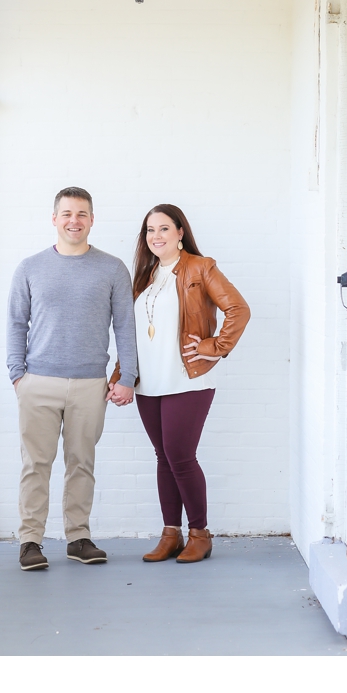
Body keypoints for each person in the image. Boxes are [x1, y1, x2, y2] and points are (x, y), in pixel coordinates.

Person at [109, 204, 250, 563]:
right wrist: (120, 376)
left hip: (187, 379)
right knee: (163, 457)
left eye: (164, 229)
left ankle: (199, 533)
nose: (156, 236)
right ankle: (170, 533)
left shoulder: (201, 268)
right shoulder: (144, 276)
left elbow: (238, 308)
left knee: (181, 457)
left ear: (180, 232)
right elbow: (132, 333)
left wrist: (214, 347)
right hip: (148, 383)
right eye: (149, 231)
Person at [7, 187, 138, 571]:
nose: (74, 221)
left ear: (92, 220)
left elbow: (125, 326)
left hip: (89, 384)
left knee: (82, 463)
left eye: (81, 214)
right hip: (38, 382)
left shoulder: (112, 268)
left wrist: (126, 376)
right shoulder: (29, 268)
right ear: (54, 219)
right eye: (66, 214)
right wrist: (18, 374)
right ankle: (30, 541)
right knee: (36, 464)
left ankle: (77, 537)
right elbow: (16, 323)